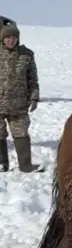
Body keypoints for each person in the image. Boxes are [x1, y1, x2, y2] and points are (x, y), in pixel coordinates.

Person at [0, 23, 42, 173]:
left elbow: (32, 79)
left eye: (13, 37)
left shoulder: (26, 55)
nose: (10, 40)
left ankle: (25, 165)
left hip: (19, 104)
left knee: (21, 133)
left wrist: (34, 97)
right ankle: (1, 164)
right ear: (2, 39)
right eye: (7, 38)